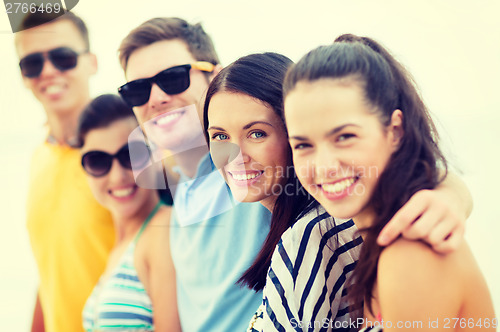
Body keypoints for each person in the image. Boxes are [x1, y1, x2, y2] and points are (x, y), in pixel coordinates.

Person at [203, 52, 477, 331]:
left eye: (257, 133)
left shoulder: (314, 234)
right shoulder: (343, 223)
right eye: (220, 136)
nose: (235, 155)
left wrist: (451, 193)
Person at [282, 34, 495, 331]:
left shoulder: (411, 251)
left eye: (344, 137)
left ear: (394, 130)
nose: (324, 167)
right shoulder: (376, 242)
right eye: (303, 145)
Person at [117, 18, 272, 331]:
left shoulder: (259, 168)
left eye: (173, 78)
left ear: (215, 76)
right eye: (136, 90)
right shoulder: (179, 202)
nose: (156, 98)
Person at [14, 11, 114, 332]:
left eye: (63, 57)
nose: (47, 71)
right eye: (31, 64)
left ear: (92, 62)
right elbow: (51, 272)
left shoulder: (127, 154)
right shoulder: (39, 157)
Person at [77, 94, 180, 331]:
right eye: (98, 161)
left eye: (130, 155)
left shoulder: (162, 231)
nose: (117, 176)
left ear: (155, 154)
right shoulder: (122, 246)